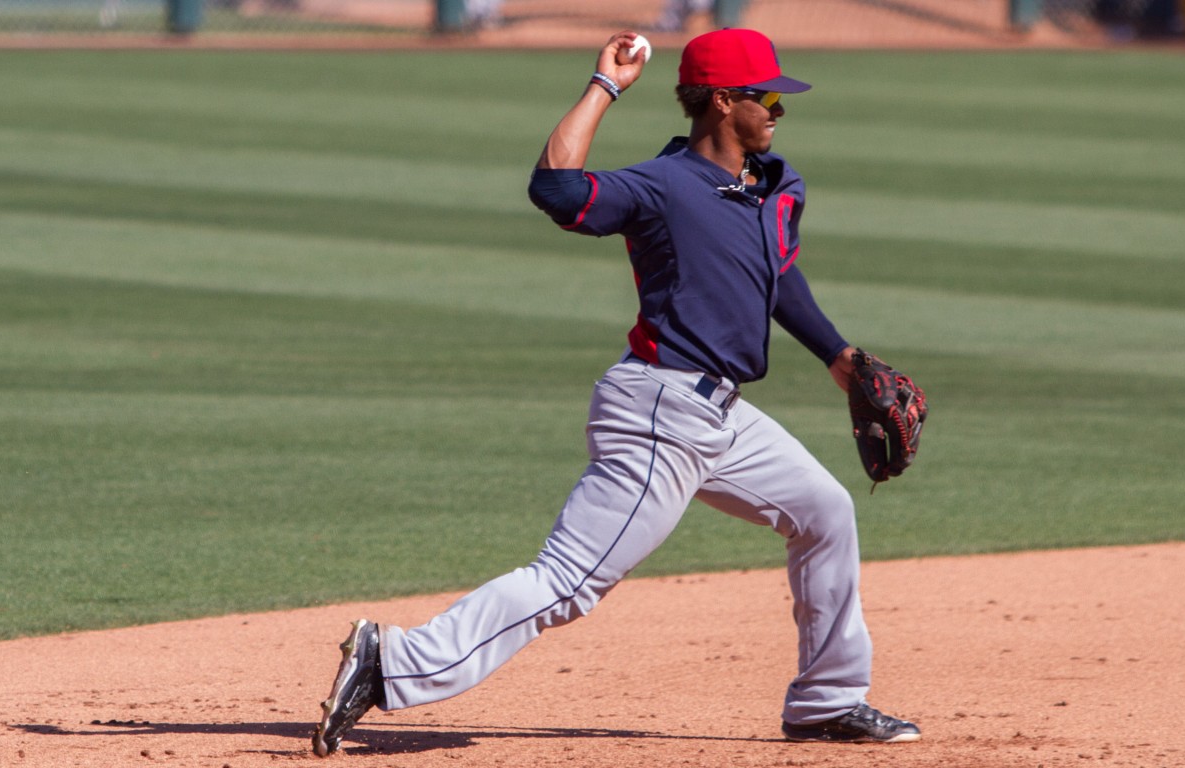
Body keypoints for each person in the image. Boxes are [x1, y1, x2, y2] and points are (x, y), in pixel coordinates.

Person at [310, 28, 921, 758]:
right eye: (766, 98)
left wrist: (840, 358)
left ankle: (827, 701)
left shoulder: (771, 186)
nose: (779, 111)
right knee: (568, 581)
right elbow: (556, 188)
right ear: (723, 102)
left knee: (825, 512)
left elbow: (778, 277)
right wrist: (606, 86)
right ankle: (393, 660)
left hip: (721, 415)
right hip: (660, 412)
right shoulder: (661, 186)